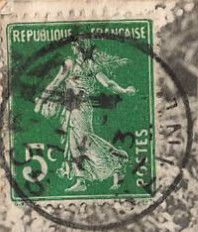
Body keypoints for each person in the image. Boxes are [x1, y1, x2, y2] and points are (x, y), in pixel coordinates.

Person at [33, 40, 136, 192]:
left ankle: (117, 159)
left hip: (81, 106)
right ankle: (80, 180)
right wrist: (42, 100)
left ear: (81, 46)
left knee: (84, 140)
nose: (72, 46)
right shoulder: (72, 63)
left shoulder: (90, 65)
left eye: (74, 44)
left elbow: (107, 83)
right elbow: (56, 82)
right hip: (70, 106)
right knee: (73, 142)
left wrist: (123, 90)